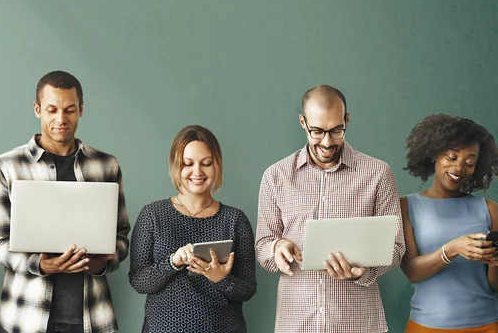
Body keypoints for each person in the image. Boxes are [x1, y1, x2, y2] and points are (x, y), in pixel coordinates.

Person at [255, 84, 405, 333]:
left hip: (358, 323)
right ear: (303, 122)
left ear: (347, 119)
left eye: (336, 131)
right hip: (297, 323)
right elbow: (262, 247)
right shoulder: (276, 176)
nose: (327, 142)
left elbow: (397, 247)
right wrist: (277, 247)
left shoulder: (378, 174)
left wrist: (363, 272)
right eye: (317, 131)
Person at [0, 70, 130, 333]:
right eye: (52, 109)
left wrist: (103, 263)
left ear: (81, 109)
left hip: (91, 317)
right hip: (26, 317)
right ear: (37, 109)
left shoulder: (106, 165)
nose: (60, 119)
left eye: (69, 110)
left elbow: (121, 236)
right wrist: (41, 265)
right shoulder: (7, 166)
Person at [129, 125, 257, 333]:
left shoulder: (235, 220)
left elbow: (248, 289)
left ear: (217, 166)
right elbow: (139, 281)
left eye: (206, 163)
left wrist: (221, 279)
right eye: (188, 164)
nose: (197, 172)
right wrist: (173, 262)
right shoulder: (153, 215)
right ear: (176, 167)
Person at [400, 114, 498, 332]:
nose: (459, 168)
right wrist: (452, 248)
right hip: (427, 326)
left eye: (469, 163)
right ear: (435, 155)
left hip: (487, 325)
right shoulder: (406, 206)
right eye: (451, 157)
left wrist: (494, 262)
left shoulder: (490, 209)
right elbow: (412, 271)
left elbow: (494, 285)